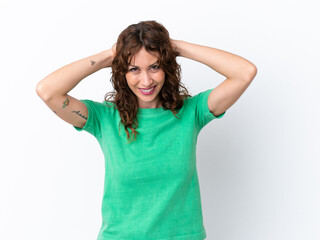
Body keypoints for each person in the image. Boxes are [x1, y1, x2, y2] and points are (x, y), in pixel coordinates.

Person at [36, 20, 257, 240]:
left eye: (154, 66)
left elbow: (245, 72)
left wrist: (176, 47)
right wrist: (110, 55)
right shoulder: (104, 119)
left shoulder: (191, 112)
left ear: (166, 67)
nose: (146, 80)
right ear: (122, 72)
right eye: (134, 69)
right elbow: (48, 91)